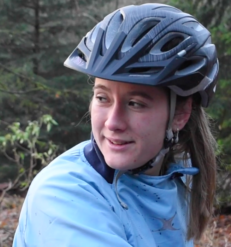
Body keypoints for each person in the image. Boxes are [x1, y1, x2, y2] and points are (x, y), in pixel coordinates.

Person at [13, 3, 218, 247]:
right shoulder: (64, 196)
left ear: (180, 114)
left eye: (135, 103)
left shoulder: (179, 173)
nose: (113, 122)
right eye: (102, 98)